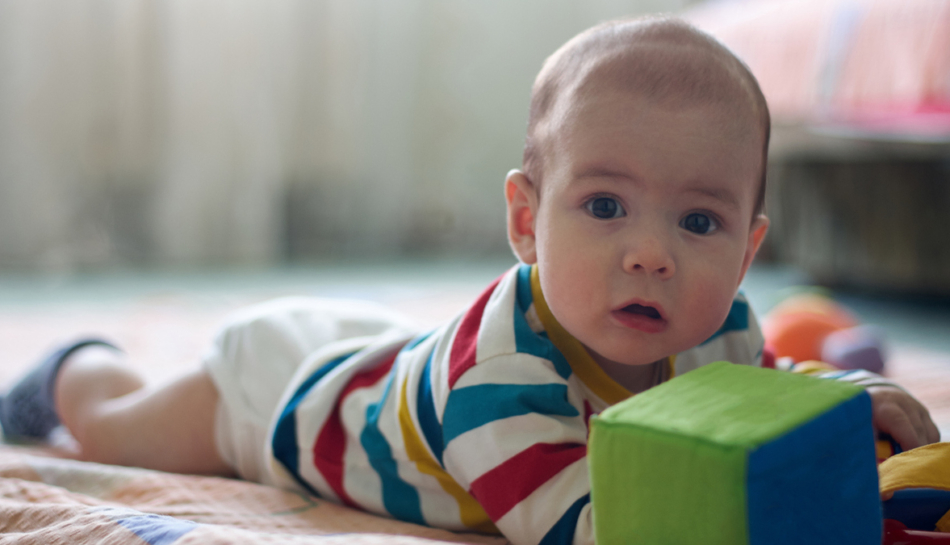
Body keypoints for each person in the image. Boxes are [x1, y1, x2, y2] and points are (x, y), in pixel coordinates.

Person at [0, 16, 939, 545]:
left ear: (744, 251)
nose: (652, 252)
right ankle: (73, 366)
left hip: (385, 356)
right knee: (121, 426)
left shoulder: (717, 324)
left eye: (699, 221)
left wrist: (840, 403)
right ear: (526, 220)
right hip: (280, 399)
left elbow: (754, 398)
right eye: (605, 205)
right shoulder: (501, 383)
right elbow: (583, 524)